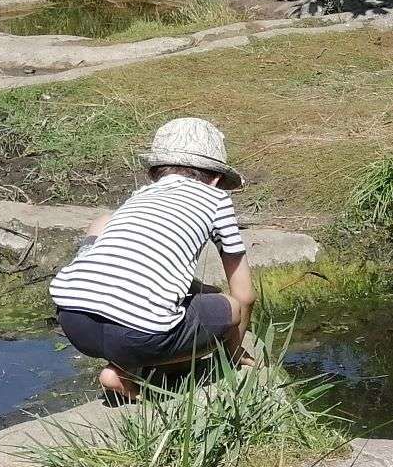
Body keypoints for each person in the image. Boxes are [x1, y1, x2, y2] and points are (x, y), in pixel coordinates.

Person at [49, 117, 256, 401]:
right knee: (230, 309)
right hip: (140, 336)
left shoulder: (140, 196)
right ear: (217, 178)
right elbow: (245, 297)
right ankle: (124, 375)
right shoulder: (216, 200)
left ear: (156, 173)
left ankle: (129, 366)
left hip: (74, 322)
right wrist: (234, 352)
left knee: (103, 222)